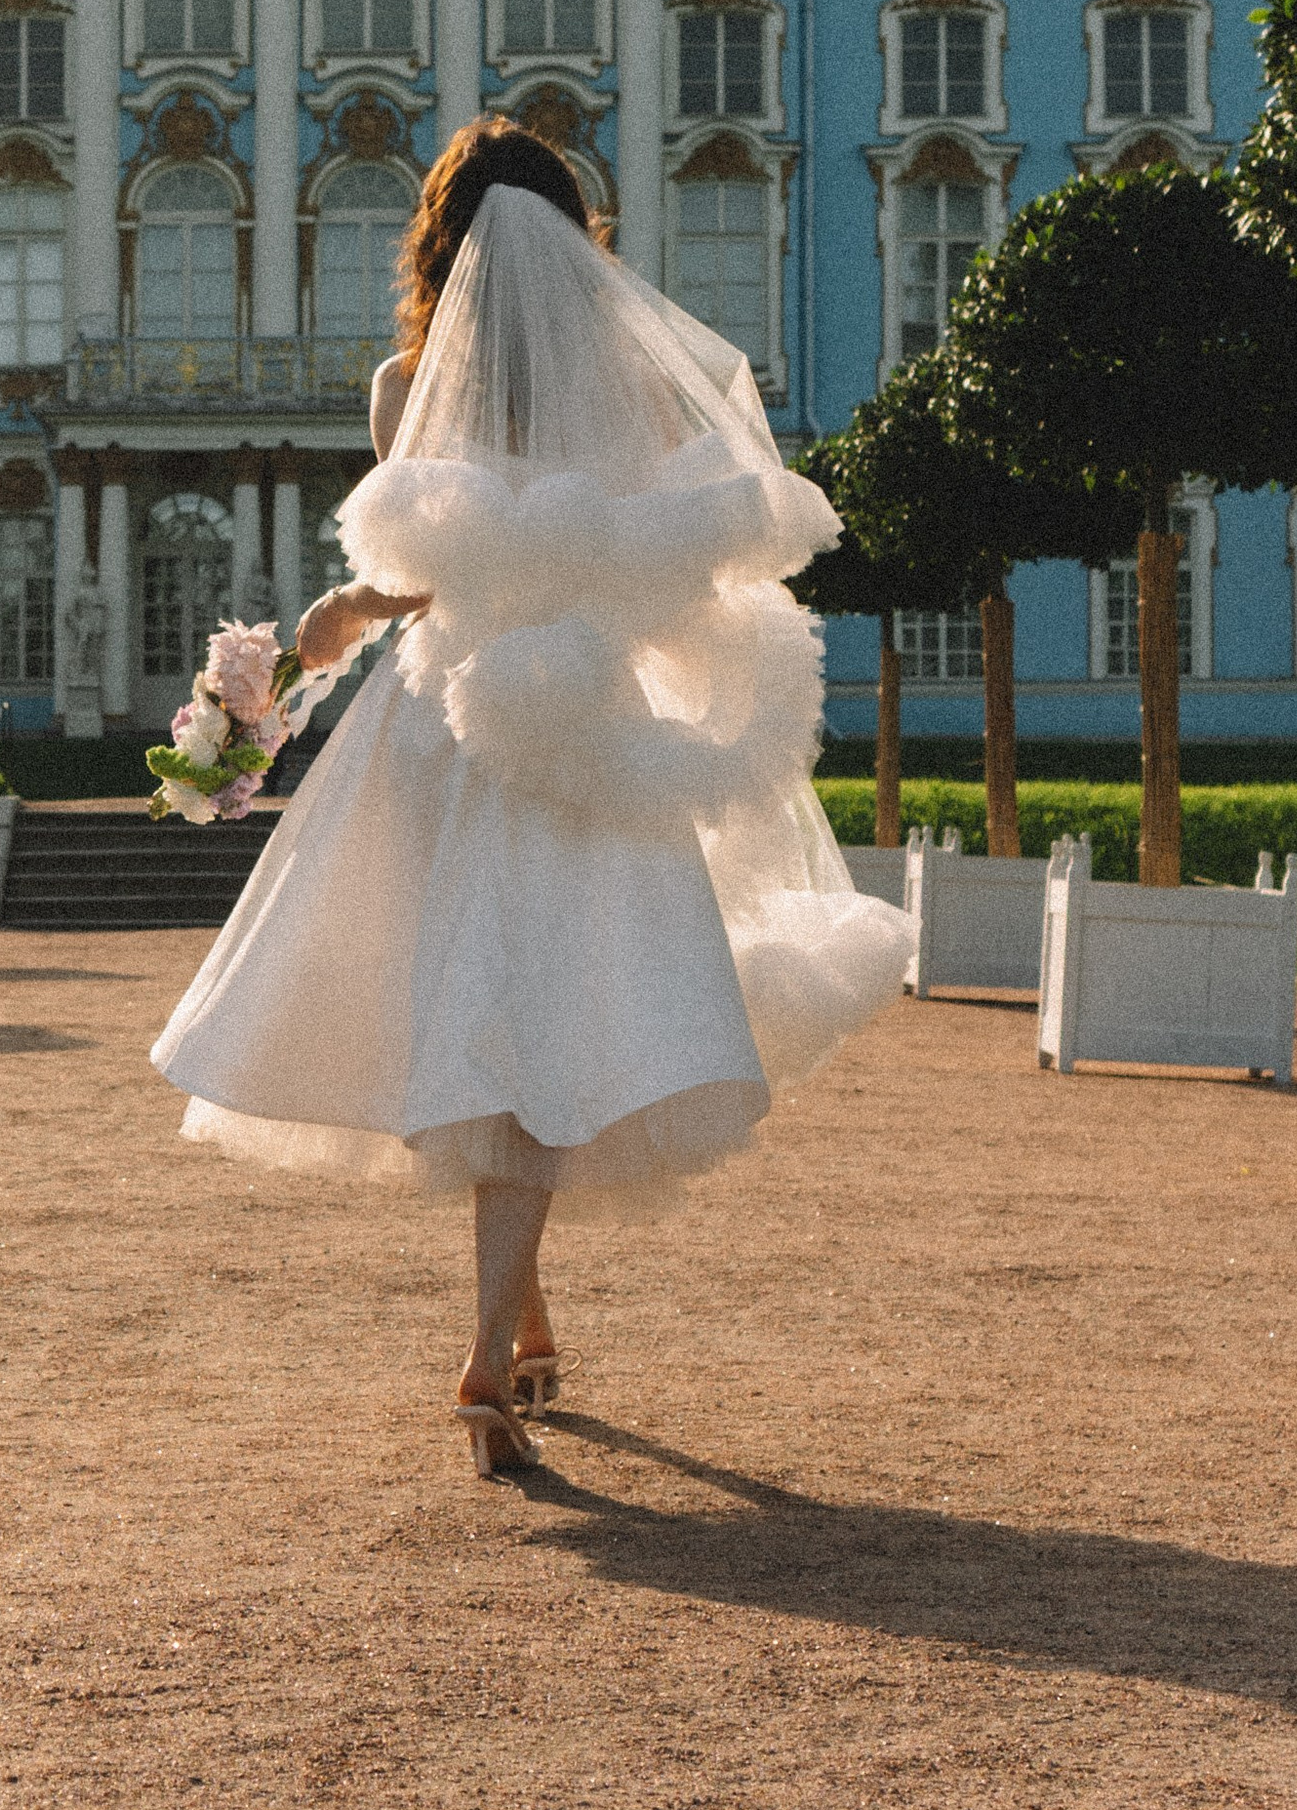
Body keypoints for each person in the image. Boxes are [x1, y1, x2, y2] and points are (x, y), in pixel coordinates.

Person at [150, 119, 911, 1480]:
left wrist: (327, 620)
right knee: (551, 1028)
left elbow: (414, 585)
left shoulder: (405, 386)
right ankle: (496, 1347)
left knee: (479, 1027)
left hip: (442, 728)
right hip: (584, 728)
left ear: (439, 239)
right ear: (577, 239)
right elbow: (674, 542)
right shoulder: (630, 386)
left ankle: (512, 1329)